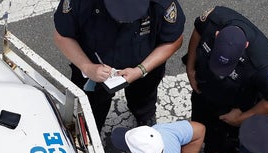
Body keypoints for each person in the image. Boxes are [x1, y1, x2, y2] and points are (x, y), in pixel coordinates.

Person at [53, 0, 185, 131]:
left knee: (144, 98)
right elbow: (63, 36)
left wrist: (141, 70)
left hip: (144, 65)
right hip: (93, 67)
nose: (124, 21)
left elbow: (174, 40)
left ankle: (144, 117)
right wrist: (87, 67)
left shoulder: (162, 3)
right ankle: (92, 132)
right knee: (92, 109)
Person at [184, 6, 268, 153]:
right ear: (217, 35)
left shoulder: (263, 64)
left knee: (220, 144)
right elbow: (198, 31)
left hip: (230, 108)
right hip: (203, 91)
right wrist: (190, 68)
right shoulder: (215, 19)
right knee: (198, 123)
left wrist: (241, 119)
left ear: (245, 46)